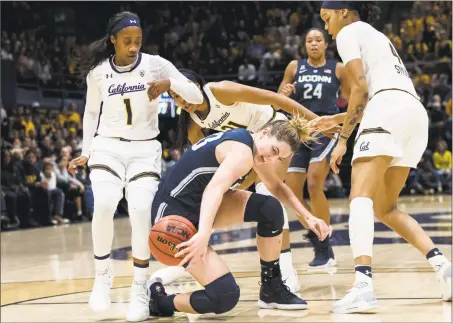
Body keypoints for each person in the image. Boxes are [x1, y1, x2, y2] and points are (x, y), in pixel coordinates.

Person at [315, 1, 451, 314]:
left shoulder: (348, 33)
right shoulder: (377, 36)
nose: (326, 27)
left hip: (385, 110)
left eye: (327, 18)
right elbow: (375, 93)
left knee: (359, 198)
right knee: (385, 207)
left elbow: (360, 92)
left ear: (344, 12)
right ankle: (444, 268)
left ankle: (363, 286)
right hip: (413, 115)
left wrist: (342, 140)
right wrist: (335, 120)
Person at [68, 11, 203, 322]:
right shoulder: (99, 72)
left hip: (145, 149)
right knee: (103, 204)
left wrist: (171, 82)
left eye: (138, 41)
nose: (133, 47)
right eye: (127, 41)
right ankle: (102, 276)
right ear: (113, 39)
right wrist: (87, 151)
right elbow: (91, 114)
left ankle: (139, 288)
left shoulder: (155, 64)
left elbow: (196, 94)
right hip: (107, 146)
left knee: (141, 211)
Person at [149, 69, 336, 293]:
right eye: (176, 97)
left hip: (271, 134)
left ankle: (283, 274)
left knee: (267, 193)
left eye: (183, 94)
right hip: (246, 145)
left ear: (196, 87)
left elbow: (274, 98)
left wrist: (317, 121)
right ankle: (191, 254)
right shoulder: (194, 119)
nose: (182, 101)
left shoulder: (220, 90)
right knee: (218, 198)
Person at [147, 120, 331, 317]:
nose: (271, 158)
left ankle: (271, 288)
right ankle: (160, 302)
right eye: (274, 150)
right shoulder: (242, 153)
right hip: (172, 217)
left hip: (196, 204)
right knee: (224, 296)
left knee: (270, 208)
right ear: (265, 132)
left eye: (278, 157)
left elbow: (276, 186)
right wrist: (203, 235)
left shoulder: (250, 145)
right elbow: (214, 189)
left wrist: (309, 217)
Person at [278, 27, 350, 268]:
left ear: (326, 44)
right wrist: (285, 92)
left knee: (314, 183)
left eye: (318, 40)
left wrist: (343, 131)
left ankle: (324, 244)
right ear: (304, 45)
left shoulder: (338, 68)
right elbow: (279, 97)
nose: (314, 44)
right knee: (292, 193)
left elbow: (353, 101)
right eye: (310, 40)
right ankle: (315, 228)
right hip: (298, 130)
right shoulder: (294, 67)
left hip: (324, 128)